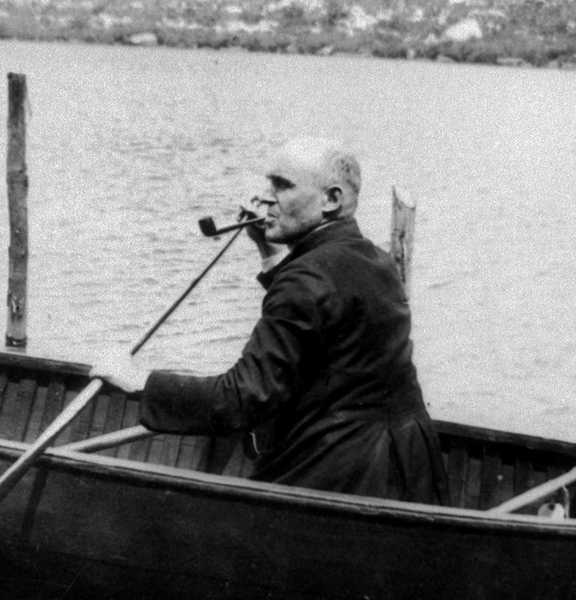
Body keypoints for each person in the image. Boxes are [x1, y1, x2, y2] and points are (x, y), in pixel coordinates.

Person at [95, 138, 446, 504]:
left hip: (341, 475)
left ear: (330, 200)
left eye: (282, 185)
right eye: (268, 183)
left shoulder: (306, 279)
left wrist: (140, 381)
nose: (264, 198)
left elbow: (242, 398)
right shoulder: (374, 260)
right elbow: (320, 314)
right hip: (410, 468)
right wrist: (269, 251)